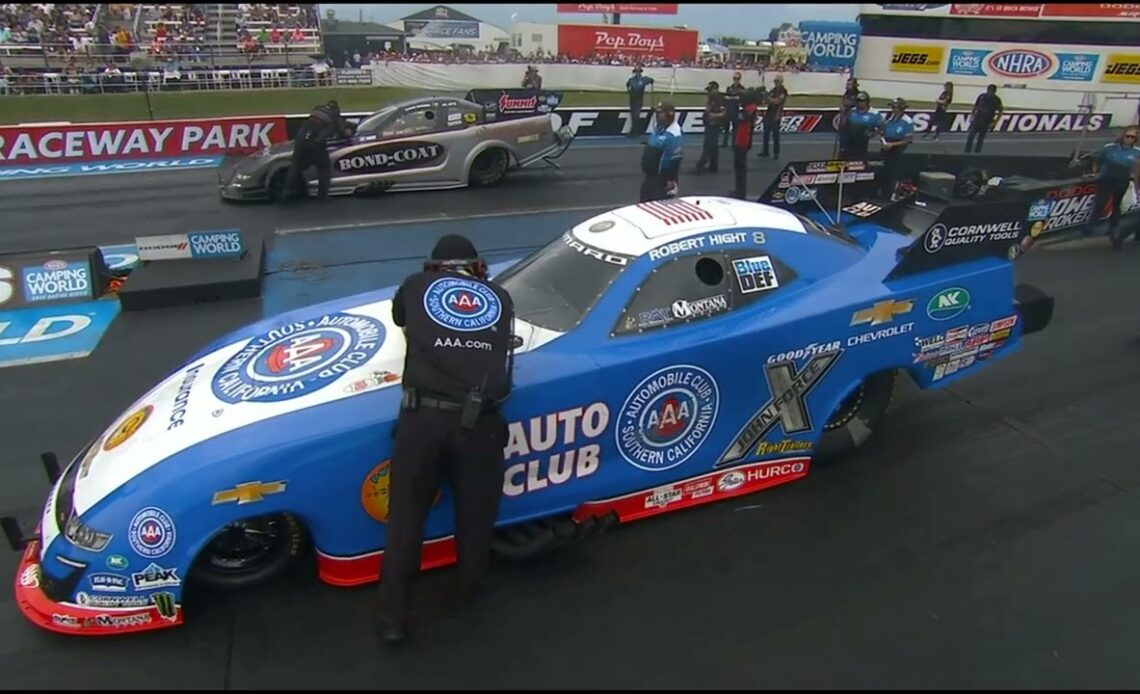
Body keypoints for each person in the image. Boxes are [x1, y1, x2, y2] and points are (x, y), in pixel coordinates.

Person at [375, 234, 515, 647]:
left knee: (405, 523)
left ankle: (392, 620)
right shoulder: (500, 298)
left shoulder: (417, 285)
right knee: (475, 522)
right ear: (478, 267)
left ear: (433, 265)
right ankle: (468, 599)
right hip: (479, 424)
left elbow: (402, 316)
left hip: (423, 419)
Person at [285, 99, 354, 201]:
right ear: (337, 109)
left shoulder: (316, 109)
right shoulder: (335, 117)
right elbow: (344, 133)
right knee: (324, 168)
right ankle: (322, 195)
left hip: (300, 142)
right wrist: (351, 131)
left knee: (296, 168)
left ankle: (287, 193)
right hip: (316, 145)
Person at [1088, 125, 1140, 249]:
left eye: (1132, 137)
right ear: (1123, 136)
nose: (1129, 139)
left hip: (1122, 181)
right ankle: (1090, 226)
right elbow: (1097, 160)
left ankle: (1114, 227)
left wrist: (1136, 185)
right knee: (1100, 202)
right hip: (1106, 179)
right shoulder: (1109, 148)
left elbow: (1137, 170)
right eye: (1128, 136)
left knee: (1117, 204)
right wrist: (1095, 172)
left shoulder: (1137, 152)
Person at [639, 100, 683, 202]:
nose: (658, 116)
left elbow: (675, 158)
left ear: (669, 114)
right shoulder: (660, 127)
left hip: (662, 179)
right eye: (657, 113)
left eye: (660, 113)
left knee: (658, 205)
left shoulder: (674, 133)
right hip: (650, 176)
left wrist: (671, 179)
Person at [879, 97, 915, 200]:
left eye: (894, 107)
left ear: (901, 108)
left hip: (897, 149)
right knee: (883, 170)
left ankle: (890, 194)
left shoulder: (907, 122)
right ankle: (882, 192)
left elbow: (909, 140)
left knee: (892, 172)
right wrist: (883, 141)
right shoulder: (890, 118)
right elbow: (882, 133)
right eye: (892, 107)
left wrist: (892, 145)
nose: (892, 109)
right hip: (886, 146)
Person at [729, 87, 760, 200]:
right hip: (740, 138)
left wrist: (734, 109)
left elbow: (739, 118)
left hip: (744, 140)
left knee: (741, 167)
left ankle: (741, 192)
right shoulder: (748, 107)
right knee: (737, 166)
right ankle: (738, 190)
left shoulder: (751, 108)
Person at [838, 91, 883, 160]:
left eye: (862, 101)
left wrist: (873, 134)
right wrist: (842, 113)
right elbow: (843, 125)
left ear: (867, 101)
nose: (860, 103)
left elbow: (882, 127)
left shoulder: (874, 113)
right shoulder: (852, 111)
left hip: (863, 143)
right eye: (858, 100)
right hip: (850, 141)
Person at [695, 81, 725, 174]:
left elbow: (724, 113)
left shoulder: (720, 100)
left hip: (714, 126)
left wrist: (712, 116)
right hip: (710, 125)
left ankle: (701, 165)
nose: (708, 93)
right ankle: (713, 165)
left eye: (710, 90)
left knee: (709, 145)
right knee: (712, 146)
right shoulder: (710, 99)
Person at [966, 84, 1003, 154]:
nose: (990, 92)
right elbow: (975, 106)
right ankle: (968, 151)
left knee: (980, 137)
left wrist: (995, 122)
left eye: (992, 91)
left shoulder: (996, 99)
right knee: (972, 135)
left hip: (986, 120)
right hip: (978, 119)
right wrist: (972, 115)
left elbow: (1000, 111)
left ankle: (976, 151)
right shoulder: (982, 96)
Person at [758, 75, 787, 159]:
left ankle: (776, 152)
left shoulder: (783, 91)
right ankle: (765, 151)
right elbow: (766, 101)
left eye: (777, 81)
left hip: (776, 115)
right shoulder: (773, 90)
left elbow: (777, 101)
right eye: (775, 81)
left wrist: (768, 98)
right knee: (766, 134)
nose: (775, 82)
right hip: (769, 113)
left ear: (781, 82)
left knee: (775, 135)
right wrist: (763, 96)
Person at [626, 66, 655, 139]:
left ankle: (635, 132)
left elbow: (651, 80)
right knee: (633, 116)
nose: (637, 73)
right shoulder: (631, 80)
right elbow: (627, 85)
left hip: (639, 99)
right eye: (636, 72)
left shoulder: (643, 79)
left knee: (636, 115)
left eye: (638, 71)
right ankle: (634, 131)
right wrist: (629, 91)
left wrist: (650, 80)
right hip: (632, 99)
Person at [722, 71, 746, 148]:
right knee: (726, 127)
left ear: (740, 79)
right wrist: (733, 98)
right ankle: (724, 143)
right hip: (729, 110)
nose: (735, 80)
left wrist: (731, 98)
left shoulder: (742, 89)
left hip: (736, 110)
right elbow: (725, 98)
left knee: (735, 129)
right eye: (734, 78)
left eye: (737, 78)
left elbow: (740, 99)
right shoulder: (729, 88)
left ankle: (734, 143)